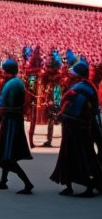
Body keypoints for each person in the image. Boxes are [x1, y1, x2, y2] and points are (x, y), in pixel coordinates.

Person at [50, 61, 102, 196]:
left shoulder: (82, 88)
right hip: (74, 127)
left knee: (81, 157)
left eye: (73, 74)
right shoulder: (83, 86)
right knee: (68, 156)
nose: (70, 75)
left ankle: (89, 187)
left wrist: (62, 115)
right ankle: (69, 185)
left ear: (78, 75)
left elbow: (76, 109)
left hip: (77, 128)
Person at [0, 58, 34, 194]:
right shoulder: (14, 82)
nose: (1, 72)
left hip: (10, 121)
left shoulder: (13, 84)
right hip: (10, 119)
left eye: (3, 69)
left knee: (5, 155)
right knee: (6, 153)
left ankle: (27, 183)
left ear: (7, 70)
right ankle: (3, 181)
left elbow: (10, 105)